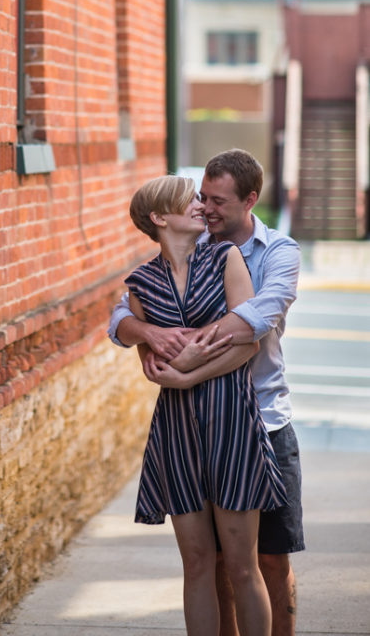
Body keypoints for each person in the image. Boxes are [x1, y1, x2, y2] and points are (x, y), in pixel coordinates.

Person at [109, 150, 304, 636]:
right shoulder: (149, 276)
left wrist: (188, 368)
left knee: (267, 561)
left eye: (215, 201)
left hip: (256, 417)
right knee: (204, 564)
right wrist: (146, 333)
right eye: (198, 197)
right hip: (181, 428)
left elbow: (253, 325)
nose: (204, 207)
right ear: (161, 217)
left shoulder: (265, 253)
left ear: (249, 200)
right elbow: (122, 321)